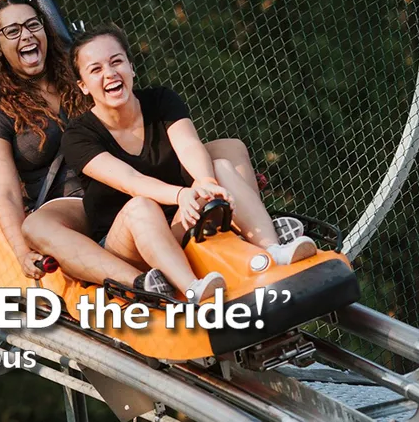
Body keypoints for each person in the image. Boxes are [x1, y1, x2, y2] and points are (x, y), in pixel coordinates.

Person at [60, 24, 317, 304]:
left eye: (116, 61)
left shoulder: (160, 100)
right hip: (128, 241)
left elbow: (188, 144)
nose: (109, 73)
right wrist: (182, 194)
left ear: (131, 67)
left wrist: (205, 182)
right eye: (96, 70)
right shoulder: (77, 136)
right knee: (141, 206)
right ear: (83, 85)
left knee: (218, 167)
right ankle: (192, 288)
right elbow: (130, 180)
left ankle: (273, 250)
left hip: (181, 222)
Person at [0, 0, 171, 293]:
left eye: (32, 25)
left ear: (46, 32)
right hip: (73, 207)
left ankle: (256, 248)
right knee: (36, 227)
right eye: (12, 31)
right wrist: (22, 252)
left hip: (124, 181)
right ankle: (141, 284)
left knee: (224, 151)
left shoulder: (82, 76)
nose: (26, 35)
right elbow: (7, 193)